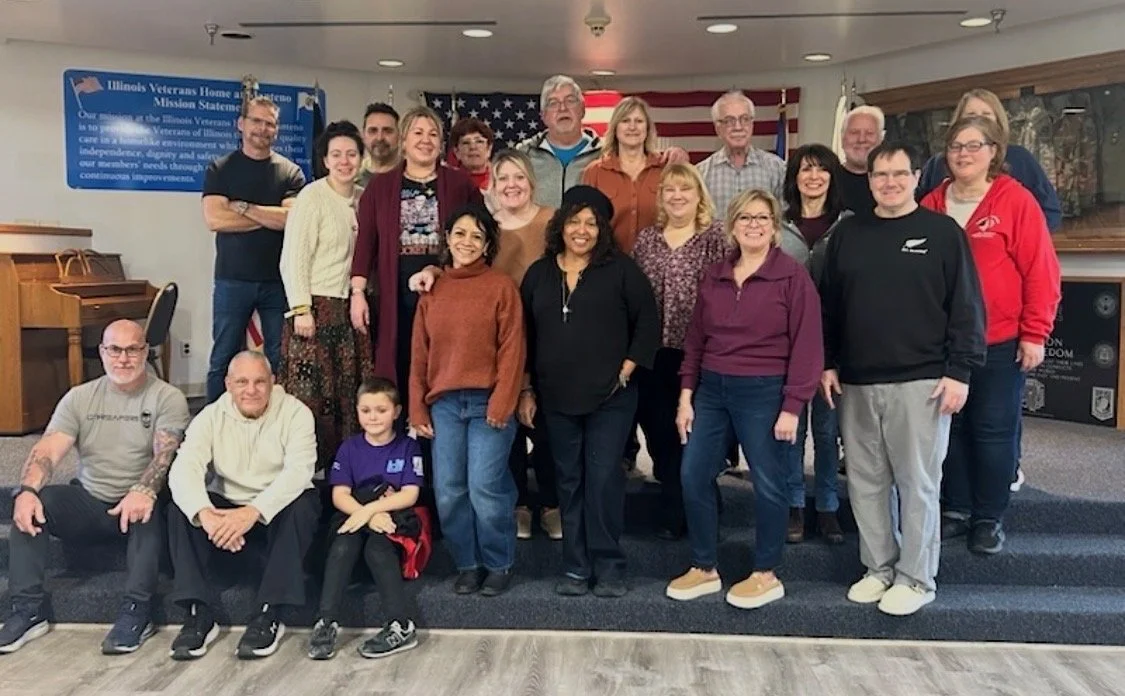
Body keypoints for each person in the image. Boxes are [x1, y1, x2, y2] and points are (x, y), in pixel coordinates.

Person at [820, 142, 986, 616]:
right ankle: (879, 569)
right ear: (868, 180)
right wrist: (828, 362)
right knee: (867, 483)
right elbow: (830, 306)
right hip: (857, 381)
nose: (889, 183)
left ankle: (917, 579)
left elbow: (967, 307)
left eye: (899, 173)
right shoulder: (848, 234)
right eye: (879, 175)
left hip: (924, 381)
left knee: (917, 484)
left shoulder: (942, 232)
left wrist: (960, 372)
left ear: (917, 177)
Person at [668, 189, 822, 610]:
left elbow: (808, 347)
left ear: (774, 227)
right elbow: (696, 342)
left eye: (762, 218)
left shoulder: (792, 277)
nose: (753, 225)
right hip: (712, 390)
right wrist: (686, 398)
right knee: (693, 474)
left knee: (769, 482)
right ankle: (704, 567)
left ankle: (766, 572)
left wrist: (792, 406)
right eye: (745, 218)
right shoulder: (716, 274)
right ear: (732, 226)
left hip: (764, 391)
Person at [0, 320, 189, 655]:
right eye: (114, 349)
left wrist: (142, 490)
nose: (124, 358)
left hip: (138, 504)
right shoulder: (80, 398)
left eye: (133, 349)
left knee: (149, 508)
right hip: (89, 501)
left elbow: (164, 456)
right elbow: (47, 450)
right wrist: (27, 492)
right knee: (32, 504)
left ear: (146, 351)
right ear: (102, 353)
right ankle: (27, 610)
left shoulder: (167, 397)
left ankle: (136, 611)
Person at [920, 116, 1061, 554]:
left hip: (999, 340)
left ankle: (989, 516)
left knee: (992, 429)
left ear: (994, 152)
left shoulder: (1014, 201)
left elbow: (1041, 271)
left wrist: (1034, 333)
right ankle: (957, 510)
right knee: (951, 427)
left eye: (973, 146)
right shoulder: (930, 204)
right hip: (942, 344)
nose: (963, 154)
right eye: (956, 146)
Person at [519, 185, 660, 598]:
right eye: (574, 221)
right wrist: (526, 389)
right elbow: (522, 337)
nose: (582, 230)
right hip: (555, 398)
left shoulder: (621, 270)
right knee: (569, 481)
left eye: (592, 223)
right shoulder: (539, 274)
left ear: (602, 230)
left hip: (610, 398)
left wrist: (628, 368)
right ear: (560, 225)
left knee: (601, 479)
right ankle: (576, 567)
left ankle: (610, 564)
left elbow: (647, 322)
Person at [166, 351, 320, 661]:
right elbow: (184, 469)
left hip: (275, 509)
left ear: (273, 382)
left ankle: (269, 612)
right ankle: (198, 613)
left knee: (304, 502)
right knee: (178, 508)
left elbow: (299, 472)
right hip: (227, 511)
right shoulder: (210, 416)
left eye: (259, 382)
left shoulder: (296, 413)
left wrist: (253, 512)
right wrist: (206, 515)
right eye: (242, 382)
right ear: (228, 384)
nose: (251, 390)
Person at [409, 205, 526, 596]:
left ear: (488, 244)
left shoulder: (501, 287)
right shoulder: (432, 289)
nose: (467, 242)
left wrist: (503, 400)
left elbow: (513, 349)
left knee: (484, 486)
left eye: (477, 236)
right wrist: (416, 406)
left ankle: (498, 562)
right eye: (460, 234)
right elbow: (420, 355)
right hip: (443, 404)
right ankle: (468, 563)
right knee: (448, 489)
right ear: (447, 239)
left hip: (488, 403)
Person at [349, 105, 484, 411]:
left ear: (441, 143)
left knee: (442, 368)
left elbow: (481, 236)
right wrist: (357, 293)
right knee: (399, 367)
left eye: (433, 134)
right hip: (395, 297)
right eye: (418, 133)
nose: (426, 140)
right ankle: (403, 444)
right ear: (404, 140)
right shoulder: (379, 188)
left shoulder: (461, 185)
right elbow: (365, 244)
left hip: (446, 295)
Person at [631, 162, 727, 539]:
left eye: (685, 189)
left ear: (699, 194)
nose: (677, 196)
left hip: (700, 353)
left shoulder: (715, 238)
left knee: (697, 438)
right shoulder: (646, 240)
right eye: (669, 189)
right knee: (661, 436)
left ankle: (705, 512)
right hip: (654, 354)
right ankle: (674, 509)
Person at [307, 379, 427, 661]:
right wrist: (365, 514)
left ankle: (401, 624)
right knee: (343, 545)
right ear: (358, 412)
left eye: (381, 410)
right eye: (366, 410)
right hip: (354, 512)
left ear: (396, 412)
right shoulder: (349, 448)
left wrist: (370, 511)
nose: (373, 417)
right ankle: (326, 621)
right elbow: (339, 495)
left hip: (393, 515)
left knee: (378, 548)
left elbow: (410, 494)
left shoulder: (407, 447)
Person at [279, 120, 376, 469]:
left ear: (361, 158)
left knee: (348, 395)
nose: (345, 161)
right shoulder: (312, 196)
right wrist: (301, 308)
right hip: (314, 310)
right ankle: (309, 474)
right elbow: (294, 258)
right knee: (313, 399)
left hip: (351, 310)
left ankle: (345, 471)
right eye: (337, 154)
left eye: (351, 154)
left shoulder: (365, 200)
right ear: (325, 159)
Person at [202, 95, 306, 403]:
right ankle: (214, 429)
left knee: (280, 358)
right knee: (222, 357)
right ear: (241, 124)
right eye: (256, 121)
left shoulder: (290, 172)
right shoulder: (220, 169)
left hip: (279, 281)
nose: (263, 129)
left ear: (277, 130)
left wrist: (243, 207)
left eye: (270, 123)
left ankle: (274, 428)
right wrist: (269, 215)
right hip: (232, 280)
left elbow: (290, 220)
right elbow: (214, 218)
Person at [780, 144, 850, 544]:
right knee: (792, 430)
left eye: (821, 170)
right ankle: (793, 506)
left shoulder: (849, 224)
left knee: (827, 431)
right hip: (785, 345)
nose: (813, 177)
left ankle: (826, 507)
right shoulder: (776, 224)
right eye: (805, 170)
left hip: (832, 346)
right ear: (794, 177)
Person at [917, 89, 1063, 231]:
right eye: (971, 115)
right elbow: (917, 214)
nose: (978, 120)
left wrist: (1019, 238)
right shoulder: (937, 164)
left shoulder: (1019, 159)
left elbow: (1050, 211)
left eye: (986, 115)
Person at [581, 96, 665, 254]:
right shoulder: (595, 172)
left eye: (639, 121)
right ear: (615, 128)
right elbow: (584, 224)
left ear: (647, 129)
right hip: (608, 264)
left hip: (657, 266)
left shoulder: (665, 170)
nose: (632, 127)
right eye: (625, 121)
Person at [516, 75, 605, 209]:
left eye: (570, 101)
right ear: (544, 116)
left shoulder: (605, 154)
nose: (562, 108)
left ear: (582, 109)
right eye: (553, 103)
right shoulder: (523, 155)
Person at [696, 91, 786, 217]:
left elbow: (784, 220)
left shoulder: (777, 168)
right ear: (718, 129)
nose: (738, 127)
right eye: (729, 120)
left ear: (752, 124)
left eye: (745, 119)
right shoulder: (701, 173)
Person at [836, 105, 884, 215]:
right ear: (843, 138)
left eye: (869, 133)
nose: (862, 139)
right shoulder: (826, 180)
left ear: (881, 139)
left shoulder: (893, 183)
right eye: (854, 132)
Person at [449, 117, 496, 196]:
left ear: (489, 149)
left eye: (479, 141)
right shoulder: (446, 182)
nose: (473, 147)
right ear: (456, 151)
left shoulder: (502, 179)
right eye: (466, 142)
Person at [357, 102, 400, 188]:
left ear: (399, 135)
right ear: (363, 135)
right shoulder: (352, 179)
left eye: (387, 131)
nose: (380, 138)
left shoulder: (414, 175)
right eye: (373, 130)